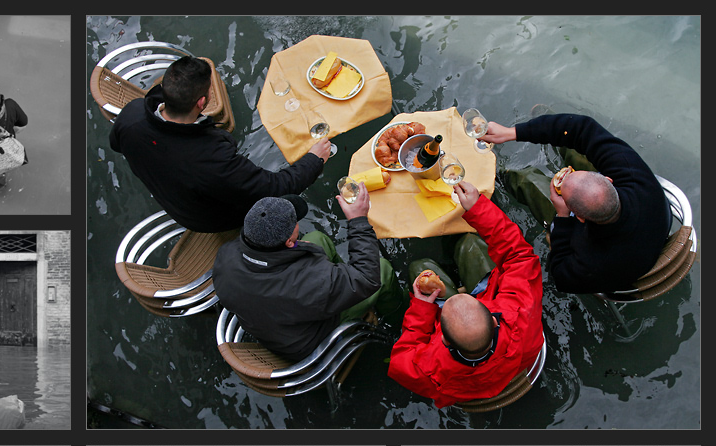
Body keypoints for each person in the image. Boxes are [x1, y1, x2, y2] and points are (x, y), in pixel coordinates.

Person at [110, 55, 331, 233]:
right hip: (209, 221)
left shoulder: (132, 115)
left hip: (174, 201)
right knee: (292, 204)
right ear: (201, 102)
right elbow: (274, 187)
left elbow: (116, 144)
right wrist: (314, 160)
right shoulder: (213, 158)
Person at [387, 181, 544, 408]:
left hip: (465, 388)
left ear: (445, 339)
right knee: (470, 243)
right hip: (514, 364)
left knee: (419, 267)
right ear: (491, 317)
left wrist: (422, 307)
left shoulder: (426, 369)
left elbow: (401, 358)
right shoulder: (522, 314)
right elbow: (519, 256)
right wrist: (478, 207)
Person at [213, 184, 408, 362]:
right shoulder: (308, 283)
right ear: (289, 243)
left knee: (317, 238)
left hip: (278, 317)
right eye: (294, 222)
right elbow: (367, 278)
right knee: (382, 271)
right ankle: (399, 322)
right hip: (311, 338)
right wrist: (358, 220)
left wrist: (291, 252)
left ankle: (344, 285)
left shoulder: (226, 255)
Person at [480, 112, 670, 294]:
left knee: (528, 181)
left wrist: (562, 218)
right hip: (652, 227)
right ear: (609, 180)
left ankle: (504, 175)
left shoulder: (590, 261)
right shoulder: (635, 176)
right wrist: (513, 132)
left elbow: (560, 275)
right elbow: (583, 128)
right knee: (577, 146)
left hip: (622, 263)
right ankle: (547, 125)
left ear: (578, 217)